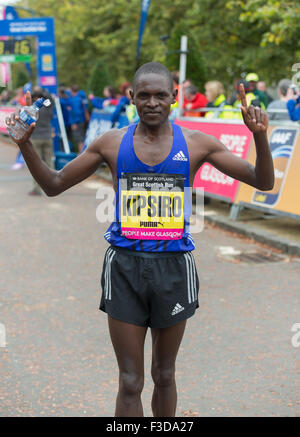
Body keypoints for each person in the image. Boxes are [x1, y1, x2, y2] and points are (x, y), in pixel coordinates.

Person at [5, 62, 274, 417]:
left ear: (174, 97)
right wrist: (25, 145)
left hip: (174, 268)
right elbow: (54, 185)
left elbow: (262, 181)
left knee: (164, 374)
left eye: (160, 95)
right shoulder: (112, 143)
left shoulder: (196, 145)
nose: (152, 102)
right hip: (125, 269)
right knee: (130, 381)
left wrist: (258, 136)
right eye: (143, 95)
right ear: (131, 97)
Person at [27, 86, 54, 196]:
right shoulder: (48, 108)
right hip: (47, 137)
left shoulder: (32, 109)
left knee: (36, 165)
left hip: (35, 138)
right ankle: (54, 185)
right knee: (50, 163)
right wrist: (44, 93)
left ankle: (37, 189)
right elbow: (51, 98)